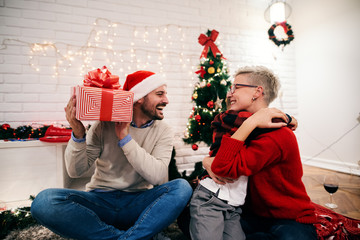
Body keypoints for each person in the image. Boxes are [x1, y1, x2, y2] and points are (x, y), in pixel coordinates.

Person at [31, 70, 193, 240]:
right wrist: (78, 134)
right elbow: (75, 171)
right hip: (100, 201)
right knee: (44, 202)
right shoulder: (103, 125)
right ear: (139, 98)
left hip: (139, 203)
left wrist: (125, 138)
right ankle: (132, 237)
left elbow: (158, 178)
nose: (166, 100)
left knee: (182, 187)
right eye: (160, 94)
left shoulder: (164, 130)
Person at [203, 66, 318, 240]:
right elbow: (219, 158)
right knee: (191, 216)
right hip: (250, 213)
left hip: (287, 219)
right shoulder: (237, 125)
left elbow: (222, 167)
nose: (229, 94)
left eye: (236, 87)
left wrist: (252, 122)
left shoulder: (277, 133)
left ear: (257, 92)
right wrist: (206, 160)